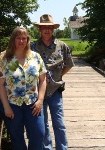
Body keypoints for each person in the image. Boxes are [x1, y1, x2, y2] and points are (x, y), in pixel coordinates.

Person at [0, 26, 47, 150]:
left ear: (28, 40)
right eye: (18, 38)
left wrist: (40, 100)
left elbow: (43, 80)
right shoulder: (5, 59)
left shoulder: (36, 57)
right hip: (12, 105)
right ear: (13, 40)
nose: (21, 41)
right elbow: (0, 84)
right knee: (17, 138)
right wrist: (6, 107)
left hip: (33, 104)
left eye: (24, 38)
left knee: (39, 134)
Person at [31, 14, 75, 150]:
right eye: (44, 27)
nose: (47, 30)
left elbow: (69, 63)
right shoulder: (32, 47)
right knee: (43, 124)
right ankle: (47, 148)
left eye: (49, 27)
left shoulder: (61, 46)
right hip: (39, 91)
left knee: (59, 123)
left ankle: (63, 148)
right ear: (39, 29)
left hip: (56, 90)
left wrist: (58, 76)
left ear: (53, 29)